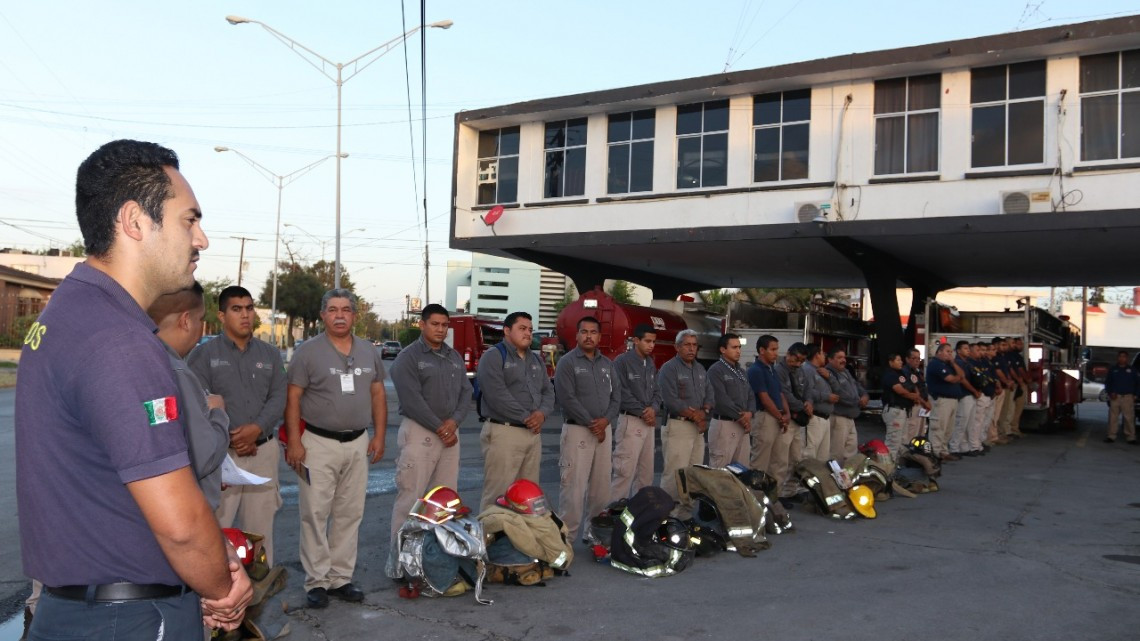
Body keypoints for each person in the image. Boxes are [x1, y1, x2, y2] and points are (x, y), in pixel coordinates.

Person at [16, 139, 251, 639]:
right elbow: (182, 526)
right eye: (190, 220)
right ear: (135, 222)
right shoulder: (120, 341)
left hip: (86, 609)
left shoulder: (71, 311)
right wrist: (222, 587)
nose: (202, 239)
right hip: (128, 619)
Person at [284, 288, 387, 609]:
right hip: (317, 443)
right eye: (332, 310)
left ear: (355, 316)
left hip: (357, 443)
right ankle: (316, 581)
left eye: (346, 309)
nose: (339, 315)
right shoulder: (308, 352)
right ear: (323, 315)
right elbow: (293, 399)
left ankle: (341, 578)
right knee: (314, 513)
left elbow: (378, 395)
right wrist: (294, 442)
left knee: (350, 513)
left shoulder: (369, 351)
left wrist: (379, 436)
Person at [189, 285, 287, 565]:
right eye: (236, 309)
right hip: (221, 459)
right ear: (221, 315)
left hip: (263, 453)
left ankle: (259, 594)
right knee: (218, 532)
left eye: (249, 308)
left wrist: (256, 430)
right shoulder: (204, 355)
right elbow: (199, 402)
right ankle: (221, 599)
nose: (245, 315)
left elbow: (279, 396)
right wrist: (233, 438)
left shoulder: (270, 354)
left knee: (260, 533)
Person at [387, 304, 473, 543]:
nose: (440, 329)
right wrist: (441, 427)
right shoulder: (408, 357)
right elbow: (412, 400)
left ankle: (436, 557)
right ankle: (401, 559)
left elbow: (466, 392)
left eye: (445, 325)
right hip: (420, 432)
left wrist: (453, 422)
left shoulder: (453, 355)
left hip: (450, 434)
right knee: (410, 499)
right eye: (435, 324)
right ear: (422, 325)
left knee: (445, 500)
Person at [150, 282, 231, 511]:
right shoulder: (177, 372)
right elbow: (203, 456)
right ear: (186, 321)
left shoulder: (145, 359)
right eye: (200, 319)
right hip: (187, 510)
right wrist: (217, 412)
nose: (200, 328)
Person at [476, 311, 554, 511]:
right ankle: (490, 540)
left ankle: (518, 541)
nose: (528, 333)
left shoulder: (536, 360)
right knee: (497, 495)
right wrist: (528, 417)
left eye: (530, 329)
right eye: (522, 328)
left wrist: (542, 414)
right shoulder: (493, 357)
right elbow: (496, 395)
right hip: (505, 432)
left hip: (532, 435)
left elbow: (548, 391)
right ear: (507, 331)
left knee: (528, 496)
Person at [555, 316, 620, 543]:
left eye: (593, 332)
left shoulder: (607, 365)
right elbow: (567, 398)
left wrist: (605, 421)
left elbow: (616, 398)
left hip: (604, 431)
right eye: (584, 332)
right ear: (577, 335)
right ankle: (566, 539)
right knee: (573, 487)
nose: (589, 336)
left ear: (600, 337)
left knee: (601, 489)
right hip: (578, 431)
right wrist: (593, 424)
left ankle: (595, 534)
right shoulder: (567, 362)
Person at [657, 329, 713, 516]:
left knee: (693, 471)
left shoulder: (699, 369)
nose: (691, 349)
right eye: (687, 345)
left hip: (697, 427)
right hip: (678, 425)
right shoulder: (669, 368)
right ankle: (668, 516)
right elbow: (671, 400)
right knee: (675, 472)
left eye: (694, 345)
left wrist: (704, 412)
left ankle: (685, 514)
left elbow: (709, 394)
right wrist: (695, 415)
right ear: (677, 347)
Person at [611, 323, 662, 500]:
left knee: (645, 475)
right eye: (647, 341)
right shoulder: (622, 362)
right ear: (635, 340)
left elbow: (657, 391)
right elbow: (620, 392)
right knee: (624, 473)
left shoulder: (650, 362)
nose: (651, 345)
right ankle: (614, 517)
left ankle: (640, 516)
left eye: (653, 342)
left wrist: (653, 409)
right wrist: (643, 411)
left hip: (648, 423)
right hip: (631, 421)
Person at [707, 333, 755, 469]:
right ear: (723, 350)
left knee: (742, 469)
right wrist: (742, 417)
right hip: (725, 424)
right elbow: (721, 400)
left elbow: (750, 394)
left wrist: (750, 413)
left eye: (739, 347)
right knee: (720, 469)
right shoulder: (715, 370)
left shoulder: (741, 371)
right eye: (734, 347)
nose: (738, 351)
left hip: (742, 425)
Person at [747, 335, 791, 478]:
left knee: (777, 462)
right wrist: (780, 417)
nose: (776, 353)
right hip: (765, 417)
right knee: (760, 462)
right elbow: (764, 398)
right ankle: (756, 498)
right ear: (762, 350)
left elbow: (780, 393)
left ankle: (772, 497)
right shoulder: (756, 370)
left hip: (777, 417)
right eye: (772, 349)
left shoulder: (772, 369)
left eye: (776, 349)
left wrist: (786, 413)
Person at [773, 342, 810, 498]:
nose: (798, 363)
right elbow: (784, 394)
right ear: (788, 354)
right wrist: (802, 406)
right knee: (780, 460)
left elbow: (807, 389)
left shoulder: (800, 371)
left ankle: (790, 491)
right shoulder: (779, 371)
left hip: (798, 419)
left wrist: (809, 403)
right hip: (786, 418)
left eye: (802, 361)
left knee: (796, 458)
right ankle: (777, 494)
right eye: (796, 359)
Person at [825, 348, 867, 462]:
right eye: (839, 357)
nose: (843, 360)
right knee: (836, 453)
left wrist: (864, 395)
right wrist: (857, 401)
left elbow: (857, 386)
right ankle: (834, 478)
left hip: (851, 417)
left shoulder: (845, 372)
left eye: (844, 357)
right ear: (830, 359)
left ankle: (847, 477)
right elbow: (839, 395)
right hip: (839, 418)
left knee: (851, 451)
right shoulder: (828, 373)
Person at [925, 342, 963, 462]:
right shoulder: (935, 364)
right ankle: (935, 453)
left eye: (951, 352)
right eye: (947, 351)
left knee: (948, 428)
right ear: (939, 352)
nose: (950, 354)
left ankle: (944, 451)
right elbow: (950, 379)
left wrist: (953, 363)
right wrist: (957, 378)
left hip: (952, 400)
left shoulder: (949, 364)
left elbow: (962, 375)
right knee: (938, 427)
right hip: (941, 400)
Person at [881, 353, 920, 461]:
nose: (901, 362)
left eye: (901, 360)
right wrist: (912, 396)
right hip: (895, 410)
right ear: (891, 362)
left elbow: (912, 385)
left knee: (901, 442)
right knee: (893, 442)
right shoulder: (890, 374)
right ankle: (887, 469)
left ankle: (895, 466)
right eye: (898, 360)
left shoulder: (901, 374)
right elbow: (899, 390)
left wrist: (916, 395)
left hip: (904, 410)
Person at [801, 345, 836, 460]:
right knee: (810, 454)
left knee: (823, 457)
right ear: (816, 355)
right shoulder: (807, 370)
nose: (824, 356)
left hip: (825, 418)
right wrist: (826, 397)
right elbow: (807, 390)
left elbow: (838, 388)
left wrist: (829, 376)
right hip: (814, 417)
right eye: (822, 353)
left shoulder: (821, 371)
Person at [949, 340, 982, 457]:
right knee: (960, 422)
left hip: (971, 395)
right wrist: (974, 390)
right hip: (964, 395)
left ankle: (964, 447)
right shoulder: (958, 362)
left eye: (968, 348)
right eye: (965, 349)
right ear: (958, 351)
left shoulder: (967, 362)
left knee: (970, 423)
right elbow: (963, 380)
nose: (968, 350)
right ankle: (954, 447)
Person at [1103, 350, 1138, 444]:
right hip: (1115, 397)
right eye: (1120, 356)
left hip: (1128, 397)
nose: (1122, 358)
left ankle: (1131, 437)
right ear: (1117, 358)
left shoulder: (1132, 370)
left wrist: (1135, 395)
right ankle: (1111, 436)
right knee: (1113, 418)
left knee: (1129, 418)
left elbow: (1138, 384)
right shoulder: (1113, 369)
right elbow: (1107, 383)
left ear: (1127, 358)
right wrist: (1110, 393)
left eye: (1124, 356)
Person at [903, 349, 932, 443]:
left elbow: (923, 388)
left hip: (922, 406)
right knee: (912, 430)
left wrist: (927, 401)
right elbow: (912, 389)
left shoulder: (919, 372)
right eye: (913, 358)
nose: (917, 360)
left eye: (918, 358)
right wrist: (924, 402)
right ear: (907, 359)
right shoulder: (905, 371)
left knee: (921, 431)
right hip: (913, 404)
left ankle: (917, 452)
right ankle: (907, 452)